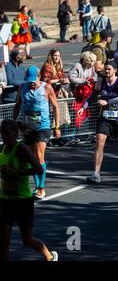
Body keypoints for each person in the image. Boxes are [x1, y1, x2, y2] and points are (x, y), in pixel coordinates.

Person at [0, 119, 58, 261]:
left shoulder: (21, 148)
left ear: (15, 133)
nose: (4, 137)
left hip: (22, 201)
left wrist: (15, 173)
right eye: (2, 134)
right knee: (4, 242)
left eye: (7, 134)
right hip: (5, 200)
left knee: (27, 240)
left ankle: (50, 257)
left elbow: (38, 168)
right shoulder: (3, 148)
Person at [77, 61, 118, 184]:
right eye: (105, 69)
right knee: (99, 143)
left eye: (109, 69)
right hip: (104, 118)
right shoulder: (100, 82)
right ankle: (96, 174)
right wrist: (84, 107)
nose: (106, 71)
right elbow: (92, 97)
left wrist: (107, 102)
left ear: (114, 70)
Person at [13, 66, 61, 200]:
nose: (32, 83)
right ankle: (36, 186)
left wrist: (57, 126)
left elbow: (55, 106)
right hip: (28, 127)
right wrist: (14, 122)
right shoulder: (22, 88)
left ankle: (41, 188)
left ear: (39, 77)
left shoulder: (47, 88)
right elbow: (17, 105)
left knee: (39, 156)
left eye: (33, 80)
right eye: (29, 81)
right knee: (30, 157)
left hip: (43, 127)